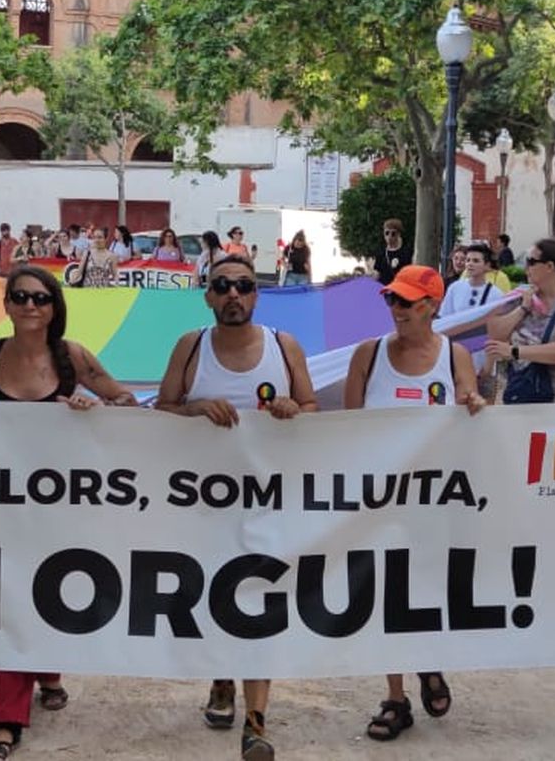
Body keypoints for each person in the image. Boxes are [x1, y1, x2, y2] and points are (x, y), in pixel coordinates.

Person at [0, 265, 136, 761]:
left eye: (40, 298)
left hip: (61, 507)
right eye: (19, 296)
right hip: (1, 504)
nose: (29, 305)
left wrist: (95, 411)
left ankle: (47, 669)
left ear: (54, 306)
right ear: (6, 304)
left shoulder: (74, 357)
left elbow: (127, 401)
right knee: (11, 603)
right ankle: (5, 721)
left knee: (45, 594)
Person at [155, 254, 318, 761]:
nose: (233, 294)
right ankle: (222, 678)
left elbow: (313, 408)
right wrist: (195, 408)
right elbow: (160, 410)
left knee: (260, 601)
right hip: (203, 502)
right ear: (208, 295)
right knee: (213, 596)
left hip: (269, 500)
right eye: (222, 285)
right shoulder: (191, 346)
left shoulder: (284, 347)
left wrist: (294, 409)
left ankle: (256, 721)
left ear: (256, 295)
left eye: (243, 286)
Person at [341, 264, 483, 742]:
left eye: (407, 302)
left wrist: (474, 405)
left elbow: (469, 412)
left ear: (431, 306)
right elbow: (345, 431)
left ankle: (427, 658)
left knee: (427, 590)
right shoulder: (368, 355)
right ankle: (395, 698)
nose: (397, 309)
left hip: (435, 501)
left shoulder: (455, 356)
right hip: (381, 501)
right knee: (384, 594)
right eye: (392, 300)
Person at [484, 238, 555, 403]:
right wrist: (522, 309)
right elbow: (494, 335)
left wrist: (515, 351)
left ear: (550, 266)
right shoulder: (520, 296)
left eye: (531, 262)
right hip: (521, 394)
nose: (525, 268)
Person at [439, 243, 500, 316]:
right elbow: (444, 316)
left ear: (487, 265)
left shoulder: (495, 294)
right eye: (468, 260)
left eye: (476, 261)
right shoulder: (454, 288)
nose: (470, 264)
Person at [373, 219, 414, 285]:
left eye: (393, 233)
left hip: (400, 288)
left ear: (398, 234)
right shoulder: (381, 252)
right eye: (387, 233)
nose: (389, 236)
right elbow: (377, 273)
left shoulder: (407, 252)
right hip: (385, 288)